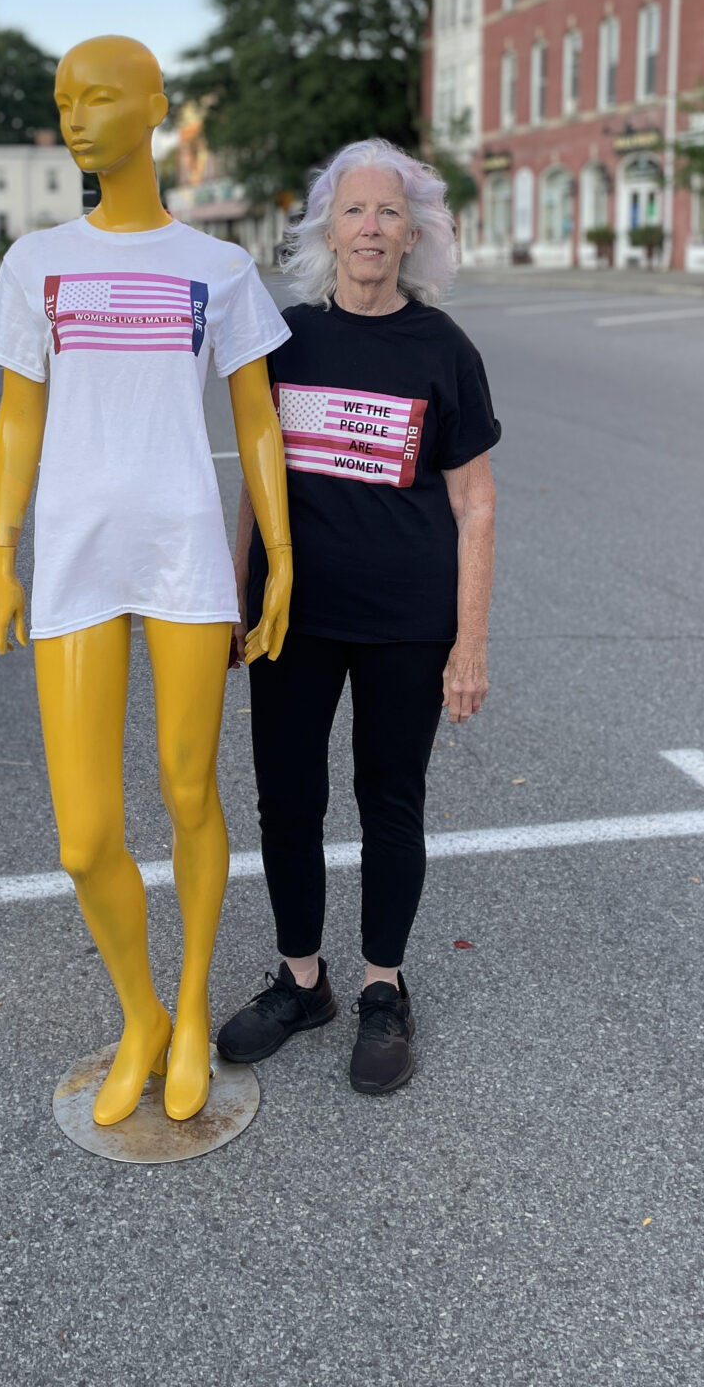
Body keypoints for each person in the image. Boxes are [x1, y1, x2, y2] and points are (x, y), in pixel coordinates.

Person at [0, 35, 294, 1126]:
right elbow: (20, 414)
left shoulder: (218, 270)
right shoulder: (37, 263)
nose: (75, 115)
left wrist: (280, 560)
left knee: (191, 789)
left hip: (185, 558)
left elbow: (259, 417)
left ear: (153, 108)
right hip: (72, 556)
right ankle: (140, 1015)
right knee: (82, 836)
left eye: (98, 96)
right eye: (63, 99)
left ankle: (195, 1008)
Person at [216, 138, 499, 1095]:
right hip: (293, 617)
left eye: (388, 213)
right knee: (287, 799)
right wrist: (233, 592)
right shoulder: (286, 339)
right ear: (326, 230)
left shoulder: (443, 350)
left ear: (412, 233)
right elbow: (256, 484)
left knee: (391, 801)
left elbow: (476, 504)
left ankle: (383, 986)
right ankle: (303, 981)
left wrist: (469, 641)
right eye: (353, 211)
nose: (370, 228)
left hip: (405, 621)